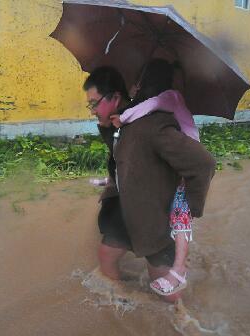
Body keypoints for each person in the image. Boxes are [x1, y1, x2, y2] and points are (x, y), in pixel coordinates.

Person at [83, 63, 216, 302]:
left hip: (155, 220)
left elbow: (203, 163)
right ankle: (123, 307)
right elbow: (122, 158)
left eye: (94, 103)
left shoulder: (154, 125)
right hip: (125, 211)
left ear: (114, 97)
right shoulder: (119, 124)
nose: (92, 110)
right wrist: (106, 129)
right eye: (89, 105)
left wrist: (190, 208)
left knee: (169, 293)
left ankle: (182, 321)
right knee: (107, 256)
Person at [110, 59, 200, 297]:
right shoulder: (171, 101)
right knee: (179, 218)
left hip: (185, 164)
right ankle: (179, 268)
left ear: (147, 80)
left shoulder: (168, 97)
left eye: (139, 79)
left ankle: (179, 269)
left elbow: (146, 106)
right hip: (181, 162)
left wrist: (124, 116)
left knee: (181, 218)